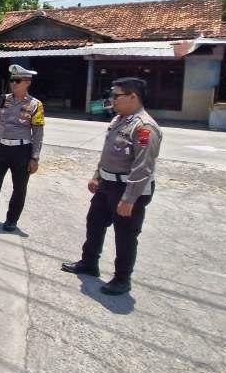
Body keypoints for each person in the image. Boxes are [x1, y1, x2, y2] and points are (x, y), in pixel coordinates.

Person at [61, 77, 163, 296]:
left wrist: (129, 199)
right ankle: (89, 263)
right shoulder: (119, 120)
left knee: (125, 235)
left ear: (133, 97)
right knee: (94, 223)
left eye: (117, 96)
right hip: (107, 184)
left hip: (127, 189)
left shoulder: (144, 127)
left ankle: (122, 279)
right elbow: (109, 153)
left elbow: (143, 166)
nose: (112, 100)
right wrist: (97, 175)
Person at [0, 64, 45, 232]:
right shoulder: (3, 100)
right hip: (1, 148)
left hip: (21, 151)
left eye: (17, 80)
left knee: (19, 188)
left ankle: (11, 220)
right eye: (12, 80)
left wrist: (35, 158)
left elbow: (38, 133)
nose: (13, 84)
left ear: (27, 82)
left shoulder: (35, 105)